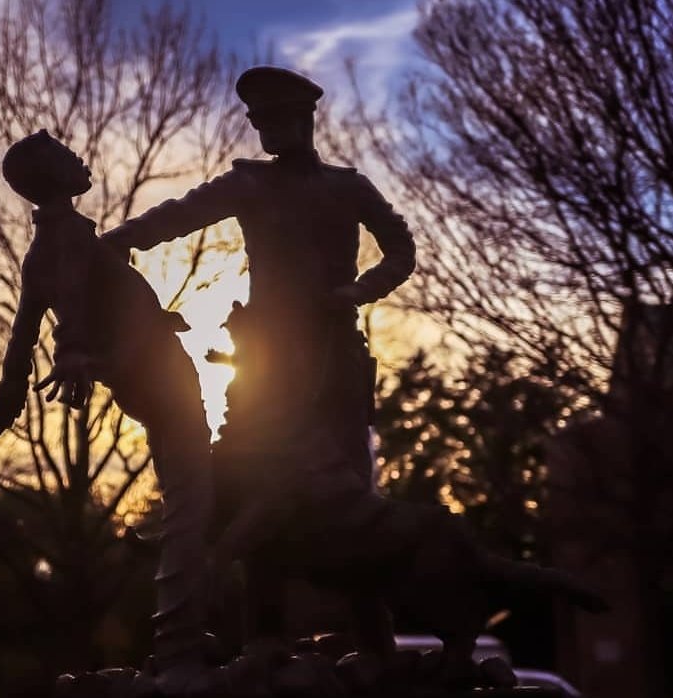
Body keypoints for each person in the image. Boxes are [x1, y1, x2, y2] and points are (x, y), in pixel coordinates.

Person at [101, 66, 416, 657]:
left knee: (348, 493)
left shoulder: (348, 187)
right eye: (259, 122)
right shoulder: (248, 183)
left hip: (332, 357)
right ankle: (263, 636)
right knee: (249, 478)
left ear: (305, 120)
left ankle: (376, 642)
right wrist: (115, 242)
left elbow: (401, 249)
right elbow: (177, 214)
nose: (268, 131)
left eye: (277, 119)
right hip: (265, 359)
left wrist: (358, 291)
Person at [0, 130, 213, 693]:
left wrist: (7, 402)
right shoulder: (63, 245)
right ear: (52, 175)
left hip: (149, 371)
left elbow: (22, 334)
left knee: (191, 491)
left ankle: (183, 619)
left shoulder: (55, 245)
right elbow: (68, 308)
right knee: (194, 496)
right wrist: (75, 350)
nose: (79, 157)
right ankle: (178, 643)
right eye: (64, 153)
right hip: (160, 375)